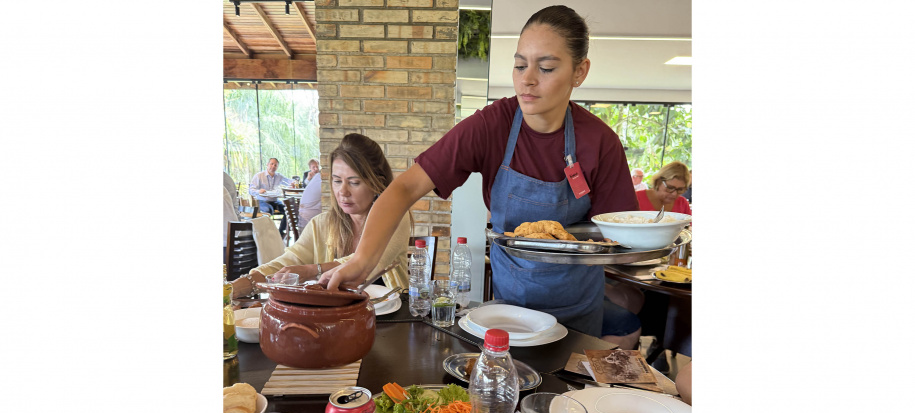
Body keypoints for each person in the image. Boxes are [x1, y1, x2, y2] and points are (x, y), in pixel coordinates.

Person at [324, 5, 641, 348]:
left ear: (579, 72)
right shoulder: (493, 126)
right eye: (520, 65)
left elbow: (619, 235)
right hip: (509, 311)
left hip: (578, 313)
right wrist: (362, 260)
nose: (527, 79)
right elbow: (405, 187)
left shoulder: (599, 142)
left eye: (546, 67)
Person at [230, 134, 410, 298]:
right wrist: (237, 288)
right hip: (335, 322)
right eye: (337, 181)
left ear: (377, 182)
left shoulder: (396, 218)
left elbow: (364, 262)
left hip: (391, 321)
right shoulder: (321, 225)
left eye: (354, 182)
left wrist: (311, 270)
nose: (343, 192)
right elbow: (288, 262)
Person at [248, 157, 288, 236]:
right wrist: (258, 191)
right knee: (268, 209)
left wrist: (293, 183)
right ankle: (267, 233)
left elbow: (289, 182)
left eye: (275, 165)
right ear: (267, 164)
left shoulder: (279, 176)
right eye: (271, 164)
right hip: (263, 200)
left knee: (286, 209)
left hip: (275, 200)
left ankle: (280, 232)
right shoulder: (259, 176)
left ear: (277, 167)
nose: (273, 166)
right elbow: (251, 190)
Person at [298, 158, 323, 231]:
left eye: (317, 167)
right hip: (307, 225)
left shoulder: (318, 176)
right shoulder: (309, 175)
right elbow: (304, 186)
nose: (315, 169)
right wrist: (308, 178)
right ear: (310, 168)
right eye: (313, 167)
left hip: (306, 219)